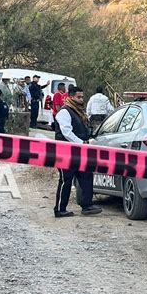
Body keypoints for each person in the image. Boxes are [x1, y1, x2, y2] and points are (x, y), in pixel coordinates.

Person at [54, 86, 102, 217]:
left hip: (80, 151)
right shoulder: (65, 112)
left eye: (82, 97)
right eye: (78, 97)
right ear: (71, 97)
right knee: (66, 179)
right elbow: (66, 132)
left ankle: (87, 205)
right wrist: (81, 143)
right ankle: (59, 209)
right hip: (65, 151)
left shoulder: (79, 112)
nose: (81, 99)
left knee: (86, 175)